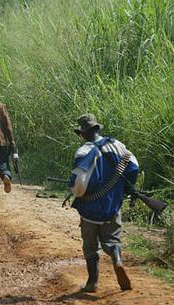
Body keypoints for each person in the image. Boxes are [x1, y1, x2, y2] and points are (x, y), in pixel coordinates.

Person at [69, 114, 139, 293]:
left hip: (90, 208)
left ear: (83, 133)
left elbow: (79, 185)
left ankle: (92, 282)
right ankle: (117, 260)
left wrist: (76, 193)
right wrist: (124, 188)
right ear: (97, 129)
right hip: (113, 206)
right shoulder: (117, 145)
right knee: (113, 240)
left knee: (90, 246)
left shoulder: (83, 152)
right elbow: (133, 168)